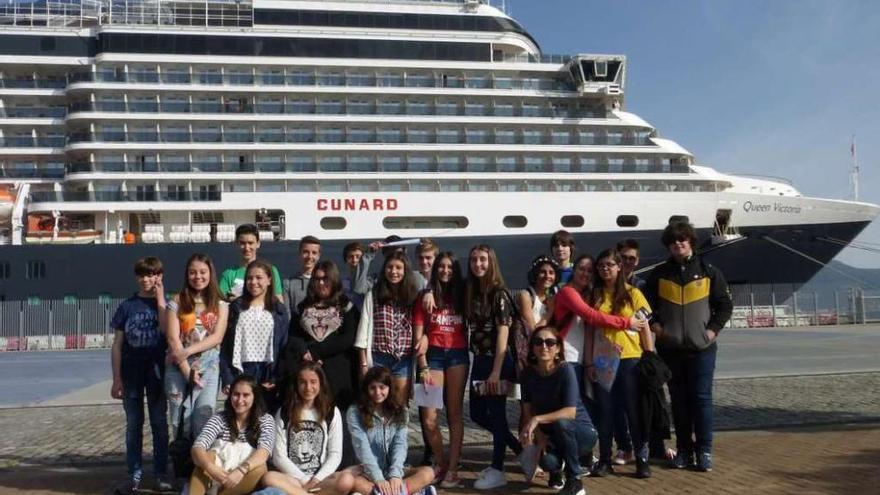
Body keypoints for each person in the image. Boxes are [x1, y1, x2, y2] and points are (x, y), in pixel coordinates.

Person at [645, 222, 733, 472]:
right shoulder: (660, 275)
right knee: (680, 401)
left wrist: (712, 330)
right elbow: (644, 306)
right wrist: (656, 327)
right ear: (668, 246)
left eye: (682, 240)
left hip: (701, 349)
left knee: (702, 399)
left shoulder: (709, 272)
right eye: (673, 242)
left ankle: (704, 450)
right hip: (671, 349)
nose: (678, 245)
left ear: (691, 242)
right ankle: (684, 450)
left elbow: (724, 305)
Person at [281, 259, 360, 467]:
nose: (321, 283)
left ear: (334, 279)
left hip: (339, 374)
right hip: (311, 374)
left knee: (341, 420)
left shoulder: (348, 307)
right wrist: (304, 351)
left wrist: (317, 351)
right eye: (317, 279)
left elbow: (349, 338)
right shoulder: (302, 307)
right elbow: (294, 337)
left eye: (325, 278)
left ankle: (345, 466)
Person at [587, 249, 654, 478]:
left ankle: (641, 459)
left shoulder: (633, 293)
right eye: (601, 265)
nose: (605, 269)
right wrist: (589, 362)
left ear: (618, 267)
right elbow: (590, 329)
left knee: (634, 410)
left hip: (629, 358)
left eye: (609, 265)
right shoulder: (595, 295)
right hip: (604, 359)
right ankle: (605, 459)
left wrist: (650, 354)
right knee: (606, 411)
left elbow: (644, 325)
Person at [110, 256, 171, 493]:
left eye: (152, 274)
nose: (146, 279)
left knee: (159, 423)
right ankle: (134, 475)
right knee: (134, 424)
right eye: (143, 275)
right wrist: (116, 378)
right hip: (131, 371)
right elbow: (117, 344)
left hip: (156, 371)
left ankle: (160, 473)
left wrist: (160, 298)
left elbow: (166, 330)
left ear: (159, 276)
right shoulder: (127, 306)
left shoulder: (165, 305)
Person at [464, 244, 521, 490]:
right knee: (477, 412)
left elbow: (503, 334)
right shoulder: (474, 293)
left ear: (491, 262)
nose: (478, 264)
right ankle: (520, 449)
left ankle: (498, 469)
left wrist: (496, 371)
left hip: (497, 361)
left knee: (497, 414)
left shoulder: (499, 294)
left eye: (483, 260)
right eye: (474, 260)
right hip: (480, 360)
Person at [412, 252, 468, 488]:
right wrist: (422, 364)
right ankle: (443, 463)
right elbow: (418, 332)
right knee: (429, 417)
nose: (445, 271)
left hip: (457, 355)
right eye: (441, 267)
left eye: (450, 267)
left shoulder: (462, 295)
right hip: (432, 356)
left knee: (454, 413)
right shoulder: (424, 297)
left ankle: (453, 469)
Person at [520, 326, 597, 495]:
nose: (544, 347)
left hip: (582, 432)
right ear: (532, 347)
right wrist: (539, 437)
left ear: (558, 348)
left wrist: (537, 420)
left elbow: (570, 412)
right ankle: (556, 471)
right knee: (547, 461)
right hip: (552, 435)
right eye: (538, 342)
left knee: (563, 423)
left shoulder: (565, 370)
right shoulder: (527, 374)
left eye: (550, 342)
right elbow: (527, 411)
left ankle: (575, 480)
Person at [338, 366, 436, 495]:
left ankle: (390, 492)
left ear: (390, 388)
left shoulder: (401, 411)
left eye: (382, 387)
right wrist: (378, 478)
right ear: (367, 389)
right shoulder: (355, 412)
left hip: (395, 470)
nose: (377, 392)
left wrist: (395, 475)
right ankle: (408, 492)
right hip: (367, 471)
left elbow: (400, 444)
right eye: (373, 388)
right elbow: (362, 448)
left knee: (428, 473)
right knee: (350, 481)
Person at [166, 254, 229, 440]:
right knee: (179, 422)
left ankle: (200, 467)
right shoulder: (177, 301)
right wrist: (187, 371)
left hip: (208, 368)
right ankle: (182, 467)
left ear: (211, 274)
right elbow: (172, 337)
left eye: (203, 272)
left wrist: (188, 350)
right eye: (193, 272)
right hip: (178, 368)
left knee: (203, 418)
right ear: (187, 274)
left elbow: (217, 337)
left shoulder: (220, 304)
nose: (198, 277)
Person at [263, 362, 347, 495]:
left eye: (313, 382)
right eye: (303, 382)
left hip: (322, 479)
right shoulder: (285, 412)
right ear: (296, 385)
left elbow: (335, 454)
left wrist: (317, 478)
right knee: (269, 477)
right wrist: (304, 480)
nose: (308, 387)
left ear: (320, 384)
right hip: (294, 479)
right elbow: (279, 456)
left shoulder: (331, 411)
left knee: (346, 481)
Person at [188, 374, 275, 495]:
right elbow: (198, 447)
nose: (240, 400)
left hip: (244, 475)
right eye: (236, 394)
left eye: (246, 395)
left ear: (255, 397)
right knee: (206, 457)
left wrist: (241, 470)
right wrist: (210, 467)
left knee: (261, 468)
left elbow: (264, 452)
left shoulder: (265, 420)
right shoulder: (220, 418)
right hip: (218, 471)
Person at [220, 260, 290, 410]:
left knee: (265, 418)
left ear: (269, 280)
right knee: (240, 418)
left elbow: (284, 345)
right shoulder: (236, 307)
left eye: (259, 278)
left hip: (267, 372)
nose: (254, 282)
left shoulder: (279, 310)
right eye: (250, 278)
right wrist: (227, 378)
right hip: (241, 370)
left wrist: (276, 377)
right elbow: (225, 346)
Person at [355, 251, 417, 407]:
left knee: (399, 406)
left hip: (403, 360)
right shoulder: (374, 295)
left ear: (405, 271)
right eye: (390, 267)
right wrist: (363, 364)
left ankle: (399, 432)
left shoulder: (413, 297)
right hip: (378, 359)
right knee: (377, 404)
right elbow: (363, 332)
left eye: (398, 268)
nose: (394, 272)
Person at [219, 224, 284, 301]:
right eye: (242, 243)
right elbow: (220, 302)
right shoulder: (228, 274)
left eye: (250, 243)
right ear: (237, 243)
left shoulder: (271, 271)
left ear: (258, 243)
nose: (247, 248)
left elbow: (279, 300)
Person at [283, 236, 321, 315]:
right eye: (306, 252)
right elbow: (287, 313)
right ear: (300, 253)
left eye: (314, 253)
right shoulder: (288, 284)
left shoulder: (326, 282)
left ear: (318, 256)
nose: (309, 256)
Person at [342, 241, 366, 310]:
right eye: (350, 257)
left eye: (358, 257)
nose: (354, 260)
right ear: (345, 259)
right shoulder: (339, 283)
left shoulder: (370, 282)